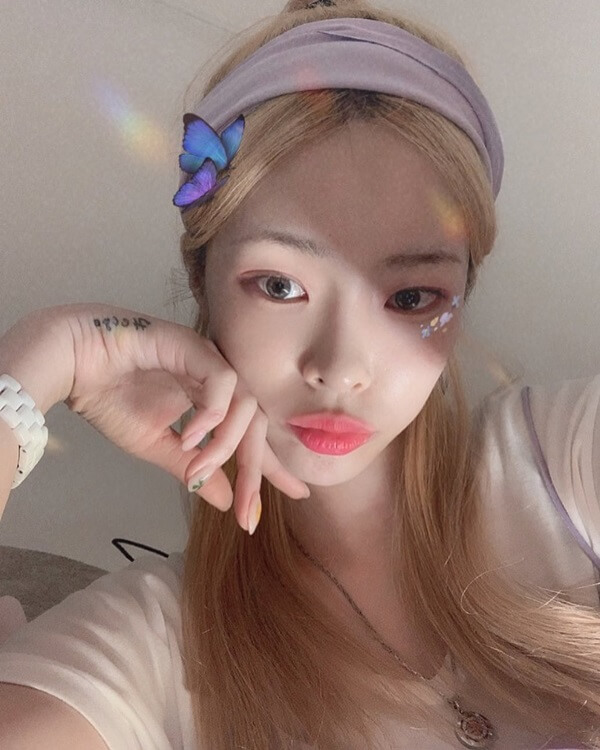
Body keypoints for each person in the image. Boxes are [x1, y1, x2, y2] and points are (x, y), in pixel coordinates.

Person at [0, 0, 599, 748]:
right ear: (202, 280)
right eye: (280, 286)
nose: (340, 368)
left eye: (412, 297)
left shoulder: (563, 465)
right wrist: (34, 368)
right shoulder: (154, 649)